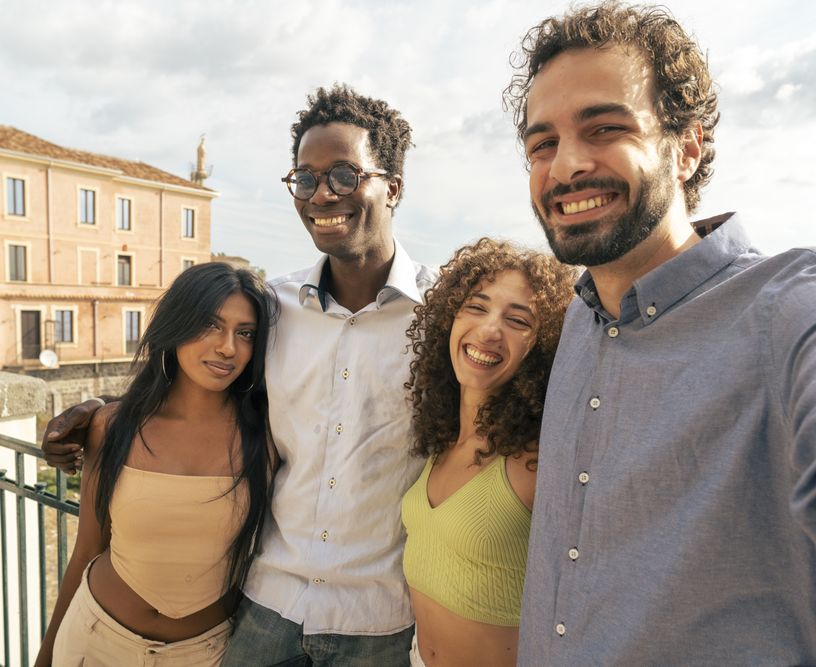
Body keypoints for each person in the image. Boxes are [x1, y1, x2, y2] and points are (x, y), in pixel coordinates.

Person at [503, 2, 816, 665]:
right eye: (543, 143)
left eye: (604, 128)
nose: (564, 167)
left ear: (686, 148)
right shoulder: (576, 324)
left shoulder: (792, 302)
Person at [43, 84, 437, 666]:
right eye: (305, 178)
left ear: (393, 187)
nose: (322, 193)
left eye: (345, 175)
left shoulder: (444, 316)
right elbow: (204, 368)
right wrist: (103, 411)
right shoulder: (270, 306)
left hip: (378, 618)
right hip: (265, 608)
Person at [34, 262, 276, 667]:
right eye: (211, 326)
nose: (228, 347)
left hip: (205, 655)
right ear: (177, 325)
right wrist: (44, 658)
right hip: (95, 642)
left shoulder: (267, 437)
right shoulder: (113, 426)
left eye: (245, 333)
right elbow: (87, 550)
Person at [401, 238, 575, 667]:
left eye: (519, 320)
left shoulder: (537, 462)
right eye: (476, 307)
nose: (490, 330)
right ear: (450, 318)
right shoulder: (440, 440)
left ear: (544, 345)